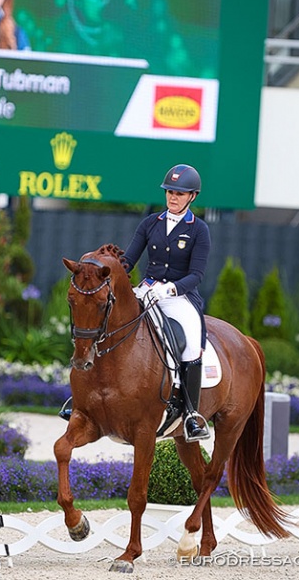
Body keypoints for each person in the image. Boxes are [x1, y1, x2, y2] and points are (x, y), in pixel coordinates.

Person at [60, 164, 211, 443]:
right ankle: (80, 398)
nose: (173, 198)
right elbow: (128, 261)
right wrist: (101, 267)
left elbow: (197, 275)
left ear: (192, 196)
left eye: (179, 193)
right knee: (109, 323)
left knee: (190, 343)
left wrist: (171, 289)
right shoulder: (150, 223)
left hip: (180, 297)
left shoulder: (198, 229)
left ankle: (191, 414)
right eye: (169, 192)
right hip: (147, 290)